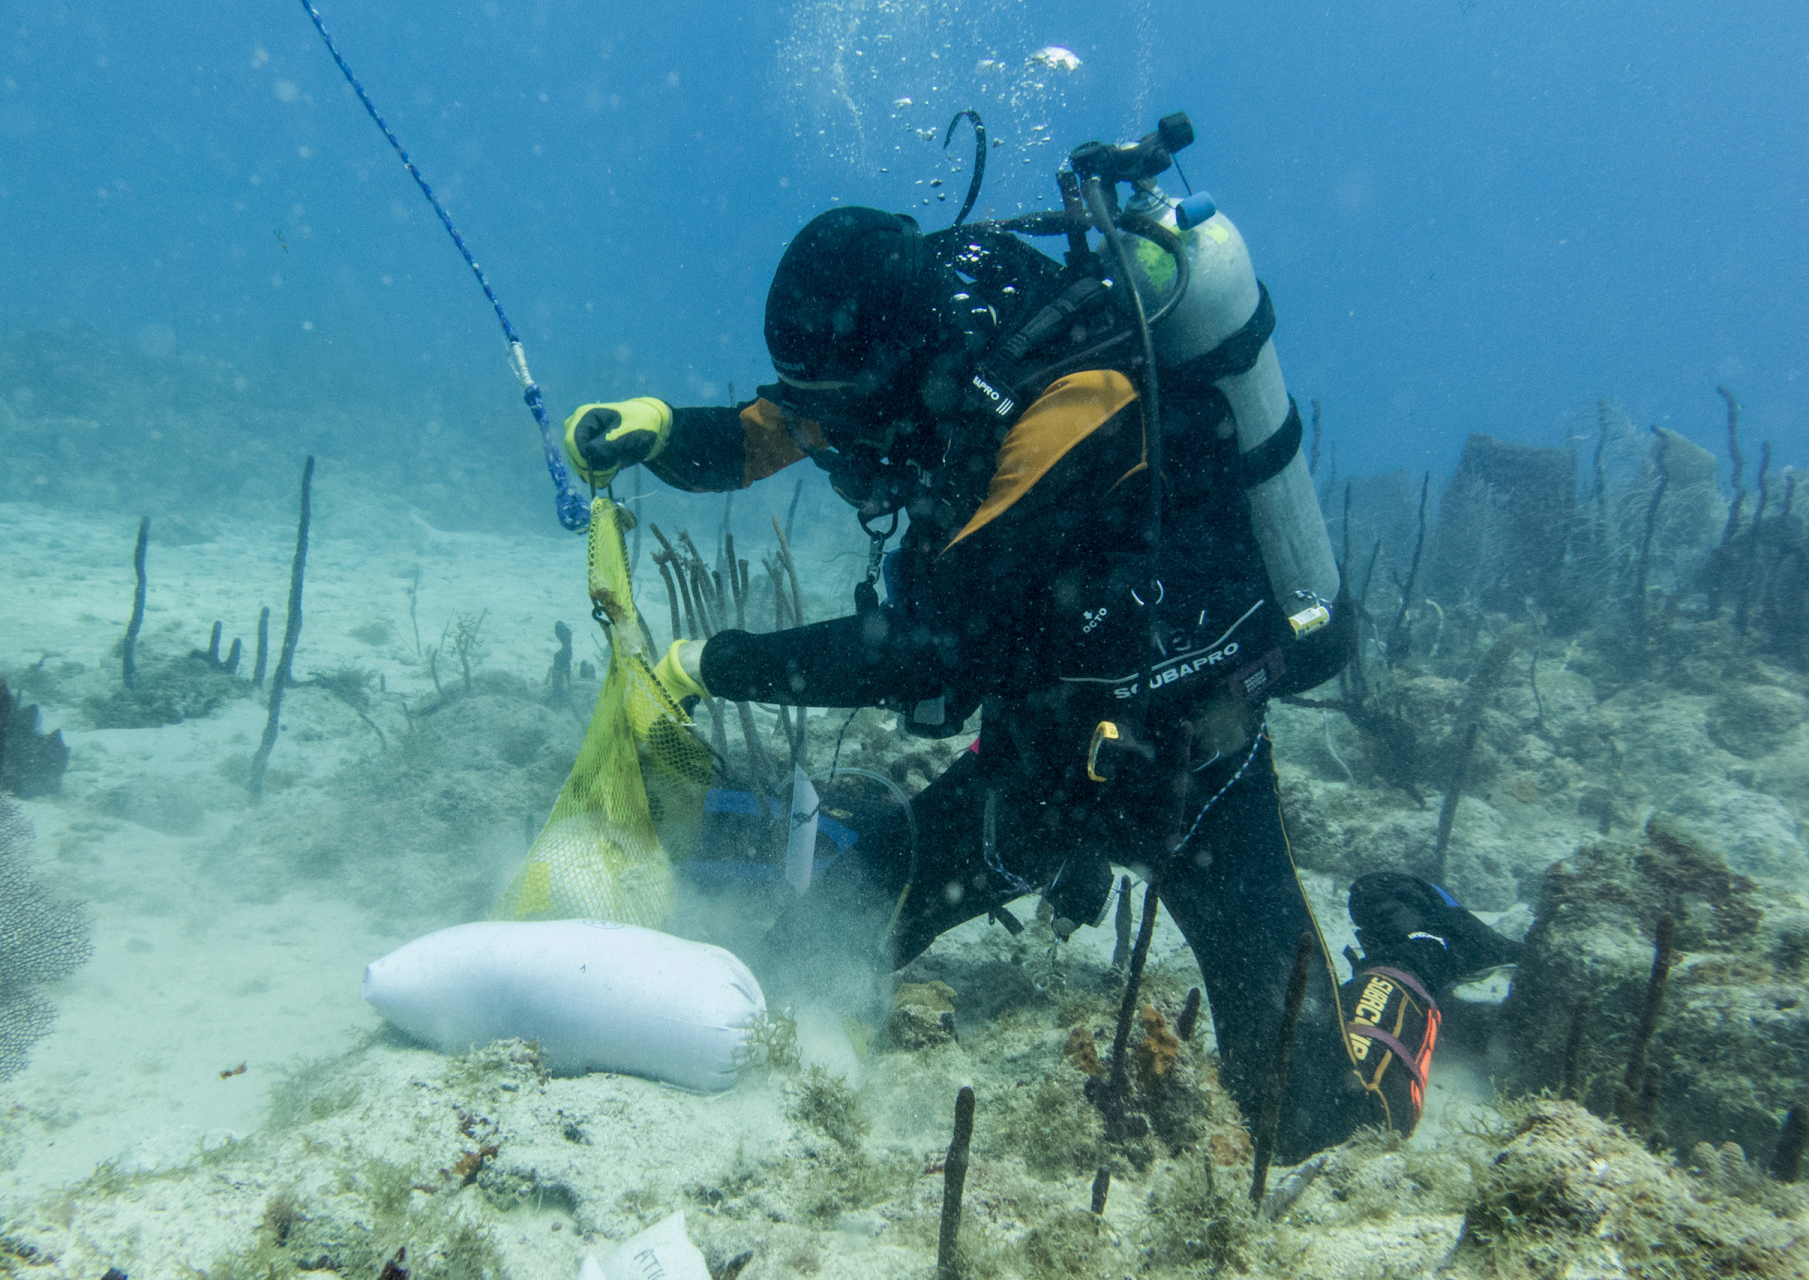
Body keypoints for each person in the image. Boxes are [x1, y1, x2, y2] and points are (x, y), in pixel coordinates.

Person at [562, 200, 1518, 1160]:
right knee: (808, 954)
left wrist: (709, 663)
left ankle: (1416, 943)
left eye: (838, 409)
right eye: (811, 405)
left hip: (1189, 767)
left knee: (1308, 1121)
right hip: (1040, 764)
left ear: (904, 367)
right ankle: (1068, 857)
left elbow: (938, 646)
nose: (821, 439)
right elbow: (779, 426)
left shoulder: (1067, 400)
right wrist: (654, 430)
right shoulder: (908, 357)